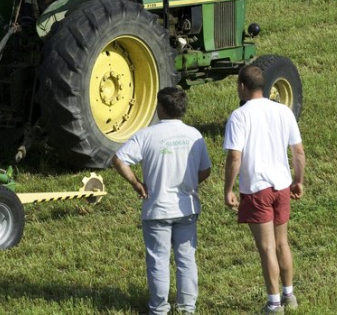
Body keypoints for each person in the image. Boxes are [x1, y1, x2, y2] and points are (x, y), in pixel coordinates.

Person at [112, 87, 212, 315]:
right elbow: (206, 170)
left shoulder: (147, 135)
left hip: (157, 208)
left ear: (160, 108)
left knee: (158, 260)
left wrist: (137, 184)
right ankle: (187, 308)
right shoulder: (194, 134)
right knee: (186, 259)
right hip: (187, 207)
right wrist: (189, 183)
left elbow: (118, 160)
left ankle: (159, 309)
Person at [223, 65, 306, 313]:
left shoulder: (239, 116)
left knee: (267, 248)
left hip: (257, 190)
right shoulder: (283, 111)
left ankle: (273, 304)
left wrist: (228, 188)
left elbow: (235, 158)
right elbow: (298, 152)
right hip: (281, 186)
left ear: (242, 87)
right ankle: (289, 295)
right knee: (282, 244)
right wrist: (298, 180)